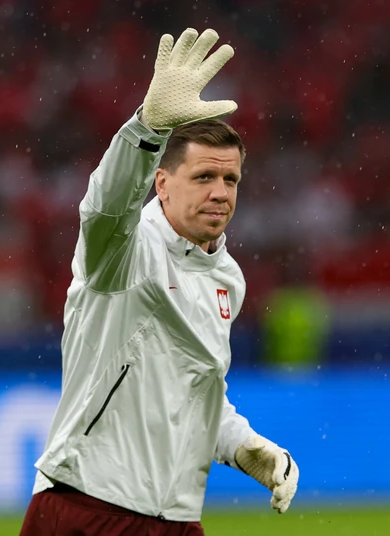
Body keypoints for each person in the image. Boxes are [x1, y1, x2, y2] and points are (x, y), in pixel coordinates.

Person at [19, 28, 300, 536]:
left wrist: (245, 446)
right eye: (204, 177)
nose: (220, 193)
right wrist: (146, 130)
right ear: (163, 184)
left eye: (230, 180)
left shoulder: (228, 279)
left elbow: (193, 392)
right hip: (87, 503)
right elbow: (104, 209)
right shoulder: (124, 251)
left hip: (175, 517)